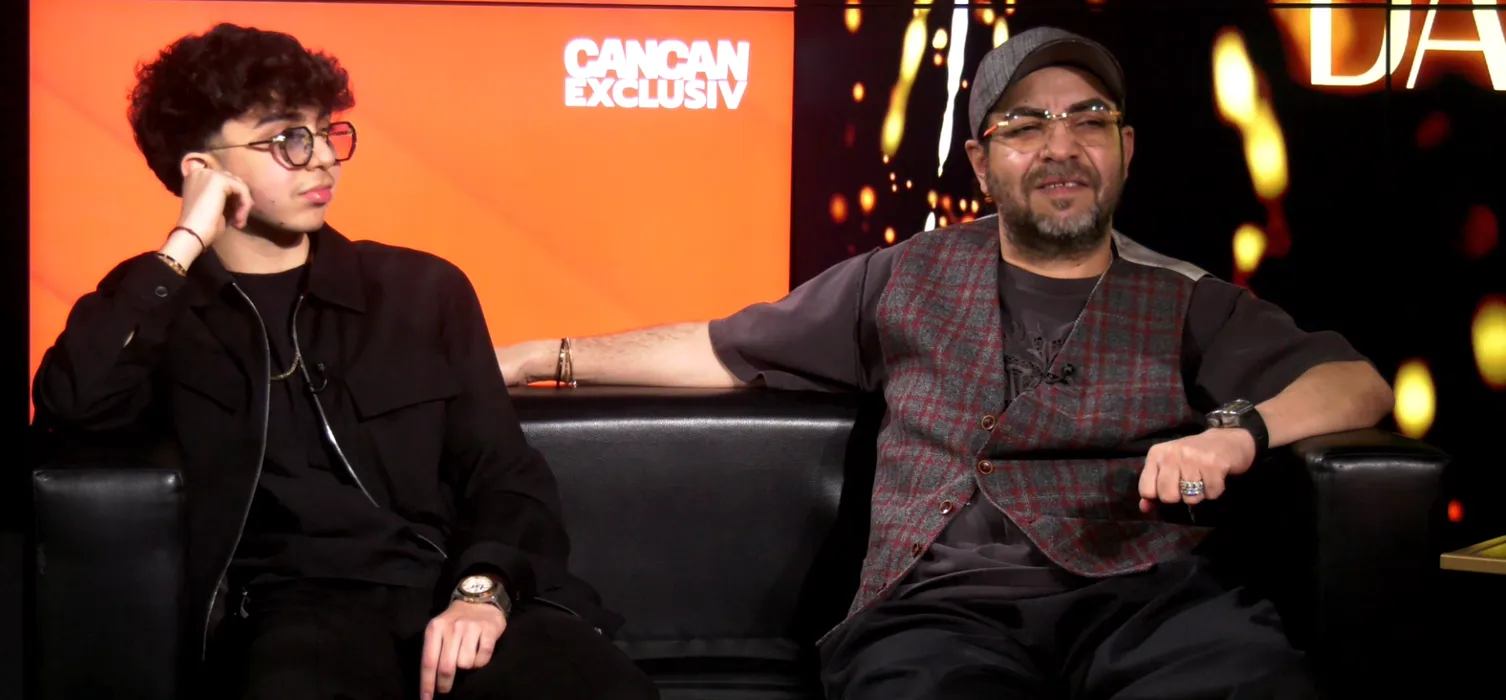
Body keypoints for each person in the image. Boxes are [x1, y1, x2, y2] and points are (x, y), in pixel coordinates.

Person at [493, 26, 1394, 700]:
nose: (1061, 146)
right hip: (938, 610)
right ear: (981, 162)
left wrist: (1238, 434)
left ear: (1126, 149)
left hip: (1147, 600)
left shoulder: (1188, 295)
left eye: (1090, 120)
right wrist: (546, 355)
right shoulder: (899, 276)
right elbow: (723, 348)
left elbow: (1357, 385)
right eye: (1025, 125)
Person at [31, 23, 659, 700]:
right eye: (286, 139)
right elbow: (74, 405)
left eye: (326, 132)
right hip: (290, 612)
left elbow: (505, 475)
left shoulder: (420, 290)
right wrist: (185, 241)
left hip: (450, 586)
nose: (324, 159)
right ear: (201, 169)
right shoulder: (161, 305)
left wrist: (483, 592)